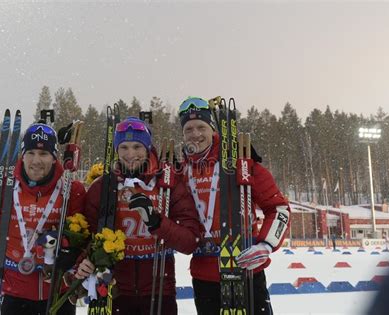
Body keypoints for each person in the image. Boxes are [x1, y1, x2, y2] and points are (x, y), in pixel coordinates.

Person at [178, 97, 291, 315]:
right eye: (188, 129)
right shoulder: (180, 171)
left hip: (246, 269)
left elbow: (278, 208)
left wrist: (266, 245)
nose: (195, 134)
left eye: (201, 127)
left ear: (213, 129)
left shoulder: (242, 162)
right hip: (204, 276)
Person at [77, 117, 200, 314]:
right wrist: (83, 262)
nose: (130, 154)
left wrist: (156, 221)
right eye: (124, 147)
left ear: (148, 148)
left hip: (159, 292)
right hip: (114, 291)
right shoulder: (102, 187)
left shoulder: (168, 185)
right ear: (116, 149)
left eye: (137, 146)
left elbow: (190, 241)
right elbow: (86, 238)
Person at [0, 122, 87, 315]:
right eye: (30, 153)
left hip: (57, 293)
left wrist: (71, 251)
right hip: (15, 292)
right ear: (22, 156)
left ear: (54, 156)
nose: (36, 160)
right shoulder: (4, 189)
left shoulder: (72, 190)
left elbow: (84, 236)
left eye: (44, 154)